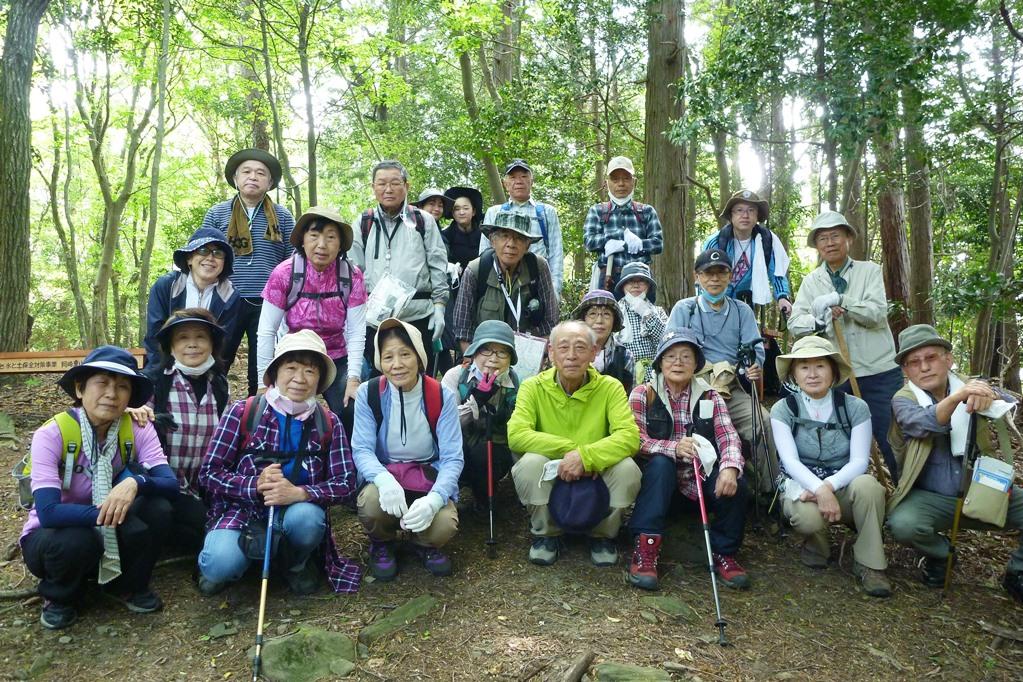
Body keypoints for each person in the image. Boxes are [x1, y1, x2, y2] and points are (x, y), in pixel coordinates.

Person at [20, 347, 177, 629]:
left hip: (105, 523)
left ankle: (128, 585)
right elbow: (48, 512)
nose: (111, 394)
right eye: (102, 383)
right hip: (55, 535)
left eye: (122, 387)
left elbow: (169, 484)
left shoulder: (137, 427)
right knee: (76, 540)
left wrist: (135, 482)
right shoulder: (52, 434)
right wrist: (112, 515)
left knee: (159, 508)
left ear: (131, 397)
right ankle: (60, 597)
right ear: (80, 389)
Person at [197, 330, 360, 596]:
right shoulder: (243, 412)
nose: (299, 378)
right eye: (291, 367)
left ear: (320, 380)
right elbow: (209, 474)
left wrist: (300, 493)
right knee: (218, 565)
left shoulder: (328, 422)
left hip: (295, 513)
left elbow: (346, 483)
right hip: (241, 512)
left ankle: (295, 563)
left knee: (308, 519)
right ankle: (241, 563)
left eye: (310, 371)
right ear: (275, 373)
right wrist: (254, 485)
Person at [885, 324, 1023, 600]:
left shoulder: (969, 385)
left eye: (931, 358)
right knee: (902, 524)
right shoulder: (903, 399)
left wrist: (990, 395)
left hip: (980, 488)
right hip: (929, 497)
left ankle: (1017, 572)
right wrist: (958, 398)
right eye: (914, 362)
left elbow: (1007, 400)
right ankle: (941, 554)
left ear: (948, 359)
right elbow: (921, 424)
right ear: (905, 371)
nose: (924, 367)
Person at [507, 321, 641, 567]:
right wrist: (572, 451)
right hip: (553, 467)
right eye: (563, 347)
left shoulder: (609, 387)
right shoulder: (533, 387)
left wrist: (586, 456)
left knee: (628, 470)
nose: (571, 356)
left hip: (595, 468)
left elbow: (630, 436)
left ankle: (603, 535)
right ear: (551, 352)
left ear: (593, 353)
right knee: (529, 463)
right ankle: (546, 534)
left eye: (580, 347)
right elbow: (516, 434)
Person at [627, 329, 749, 591]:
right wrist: (672, 448)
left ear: (696, 364)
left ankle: (724, 553)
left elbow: (728, 437)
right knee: (660, 464)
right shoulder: (643, 394)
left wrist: (730, 468)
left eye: (686, 356)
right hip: (660, 487)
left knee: (737, 481)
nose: (678, 363)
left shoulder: (710, 396)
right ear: (660, 362)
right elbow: (634, 440)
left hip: (700, 482)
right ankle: (645, 549)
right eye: (670, 356)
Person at [771, 336, 890, 597]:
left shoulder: (855, 407)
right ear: (793, 373)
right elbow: (789, 461)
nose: (812, 374)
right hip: (803, 488)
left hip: (844, 486)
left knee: (869, 487)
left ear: (833, 371)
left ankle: (870, 563)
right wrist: (817, 489)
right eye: (804, 367)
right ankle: (816, 545)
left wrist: (828, 487)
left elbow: (860, 461)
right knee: (806, 517)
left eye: (820, 366)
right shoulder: (783, 409)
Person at [788, 210, 903, 482]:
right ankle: (850, 499)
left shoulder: (869, 271)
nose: (829, 243)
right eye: (823, 238)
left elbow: (876, 312)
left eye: (835, 236)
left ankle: (905, 494)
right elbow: (795, 323)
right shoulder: (811, 281)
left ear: (848, 238)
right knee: (842, 439)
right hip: (837, 374)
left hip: (878, 371)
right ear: (817, 245)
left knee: (892, 436)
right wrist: (817, 321)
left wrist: (842, 300)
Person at [351, 318, 463, 580]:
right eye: (388, 356)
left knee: (444, 523)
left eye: (405, 354)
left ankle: (424, 544)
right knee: (370, 503)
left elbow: (453, 458)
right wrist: (383, 480)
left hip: (427, 473)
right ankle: (383, 542)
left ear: (419, 356)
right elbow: (362, 449)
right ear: (380, 361)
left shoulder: (440, 395)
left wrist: (435, 500)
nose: (397, 364)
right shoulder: (369, 394)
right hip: (387, 474)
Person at [666, 248, 776, 495]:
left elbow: (755, 350)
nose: (714, 279)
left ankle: (769, 491)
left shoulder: (741, 311)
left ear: (730, 277)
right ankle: (681, 490)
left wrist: (751, 367)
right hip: (691, 388)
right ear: (697, 277)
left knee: (763, 422)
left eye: (721, 272)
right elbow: (670, 349)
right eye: (708, 273)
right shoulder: (685, 309)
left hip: (730, 388)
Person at [257, 206, 366, 435]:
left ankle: (346, 464)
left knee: (352, 409)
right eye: (314, 236)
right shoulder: (284, 273)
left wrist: (353, 379)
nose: (322, 245)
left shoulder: (351, 275)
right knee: (281, 412)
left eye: (330, 237)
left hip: (337, 355)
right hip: (293, 356)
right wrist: (261, 383)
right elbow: (267, 330)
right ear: (303, 240)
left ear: (340, 244)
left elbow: (357, 331)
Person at [130, 309, 230, 556]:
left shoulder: (218, 383)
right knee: (168, 516)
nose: (193, 344)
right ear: (170, 345)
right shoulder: (152, 381)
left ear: (212, 344)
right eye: (183, 337)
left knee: (214, 532)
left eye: (201, 337)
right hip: (158, 484)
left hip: (201, 487)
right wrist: (136, 411)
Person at [201, 148, 294, 396]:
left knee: (262, 368)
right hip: (225, 298)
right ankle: (212, 415)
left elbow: (292, 261)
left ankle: (257, 419)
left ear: (270, 182)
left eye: (260, 173)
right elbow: (203, 255)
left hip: (269, 302)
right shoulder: (217, 213)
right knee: (217, 361)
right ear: (235, 179)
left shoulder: (283, 217)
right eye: (247, 172)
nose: (253, 177)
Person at [350, 160, 449, 376]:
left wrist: (440, 306)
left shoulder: (423, 221)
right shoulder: (364, 222)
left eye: (395, 183)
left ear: (406, 185)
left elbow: (438, 265)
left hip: (418, 316)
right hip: (376, 321)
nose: (388, 189)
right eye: (381, 183)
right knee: (380, 379)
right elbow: (353, 271)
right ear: (373, 187)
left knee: (420, 377)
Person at [441, 320, 520, 510]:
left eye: (502, 352)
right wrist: (476, 401)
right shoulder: (455, 376)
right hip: (459, 446)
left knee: (484, 454)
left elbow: (520, 431)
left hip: (496, 451)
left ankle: (483, 498)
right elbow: (445, 424)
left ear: (510, 357)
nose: (493, 358)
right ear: (475, 352)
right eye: (487, 350)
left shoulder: (517, 384)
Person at [453, 212, 559, 349]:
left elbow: (550, 322)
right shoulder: (476, 270)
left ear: (527, 246)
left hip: (528, 351)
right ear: (492, 241)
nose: (511, 244)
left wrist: (541, 356)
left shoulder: (538, 267)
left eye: (519, 238)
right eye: (505, 236)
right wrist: (473, 362)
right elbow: (463, 328)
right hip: (486, 354)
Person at [144, 227, 238, 368]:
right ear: (189, 258)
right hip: (164, 368)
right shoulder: (167, 286)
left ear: (224, 263)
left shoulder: (230, 295)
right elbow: (154, 335)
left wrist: (211, 377)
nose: (210, 258)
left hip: (208, 372)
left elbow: (225, 344)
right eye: (202, 251)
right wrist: (163, 374)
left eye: (218, 253)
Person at [478, 159, 565, 294]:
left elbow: (556, 253)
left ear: (532, 181)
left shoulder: (546, 212)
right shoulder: (494, 212)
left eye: (524, 176)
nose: (518, 181)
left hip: (537, 282)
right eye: (512, 177)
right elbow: (485, 253)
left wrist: (554, 291)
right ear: (505, 183)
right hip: (500, 284)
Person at [703, 190, 792, 314]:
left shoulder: (768, 240)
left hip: (747, 305)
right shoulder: (716, 242)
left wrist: (782, 297)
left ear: (757, 216)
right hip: (716, 304)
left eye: (751, 210)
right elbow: (703, 276)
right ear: (731, 215)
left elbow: (777, 273)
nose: (745, 215)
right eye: (739, 210)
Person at [582, 156, 664, 290]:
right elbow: (589, 242)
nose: (621, 184)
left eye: (626, 178)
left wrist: (639, 244)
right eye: (615, 179)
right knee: (606, 312)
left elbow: (658, 244)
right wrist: (619, 235)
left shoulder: (646, 211)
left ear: (634, 182)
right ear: (607, 182)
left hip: (640, 279)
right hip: (609, 278)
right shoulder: (598, 211)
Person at [437, 186, 484, 375]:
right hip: (455, 293)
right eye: (456, 209)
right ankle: (458, 370)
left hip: (480, 289)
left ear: (473, 211)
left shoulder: (484, 235)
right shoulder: (446, 235)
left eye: (465, 208)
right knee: (454, 331)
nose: (461, 212)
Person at [613, 262, 668, 384]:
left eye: (641, 281)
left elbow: (665, 340)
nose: (636, 285)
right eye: (630, 281)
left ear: (648, 286)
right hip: (623, 373)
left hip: (654, 374)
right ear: (623, 286)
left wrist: (646, 313)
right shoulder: (614, 311)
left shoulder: (658, 312)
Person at [572, 289, 635, 394]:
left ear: (614, 321)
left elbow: (629, 398)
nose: (599, 321)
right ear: (583, 319)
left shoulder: (625, 356)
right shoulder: (571, 352)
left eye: (606, 314)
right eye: (592, 313)